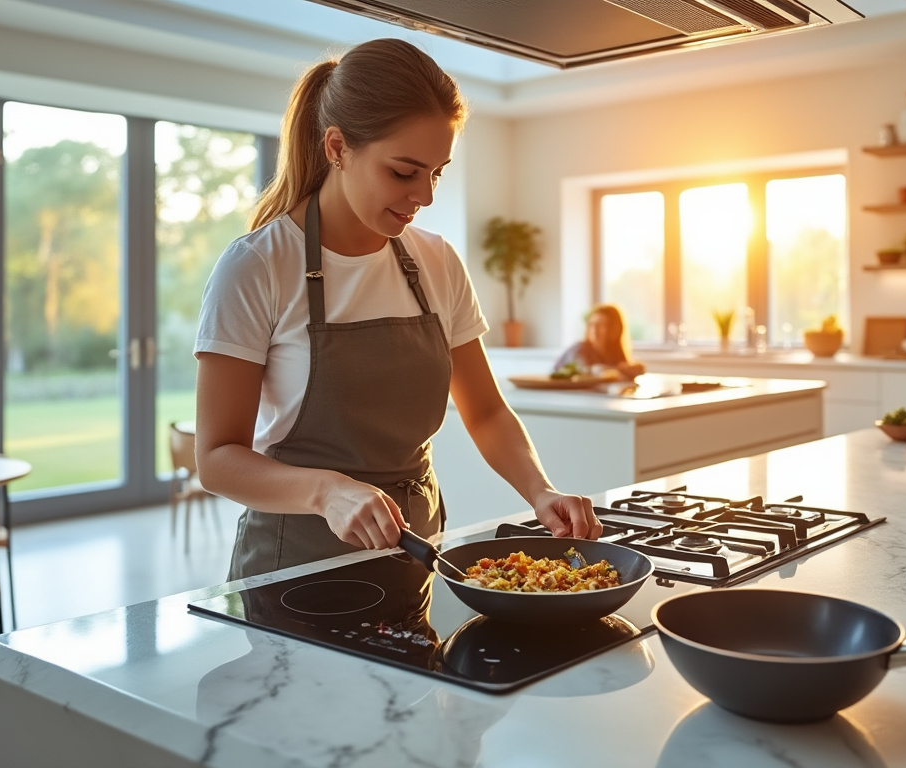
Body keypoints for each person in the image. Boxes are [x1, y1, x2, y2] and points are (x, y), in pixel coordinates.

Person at [193, 39, 602, 581]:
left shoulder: (436, 261)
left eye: (437, 172)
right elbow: (217, 458)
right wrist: (326, 490)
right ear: (337, 148)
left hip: (416, 556)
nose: (426, 195)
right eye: (404, 172)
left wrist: (539, 488)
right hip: (294, 568)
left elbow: (485, 411)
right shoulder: (258, 266)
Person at [554, 304, 646, 380]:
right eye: (592, 324)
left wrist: (633, 368)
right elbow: (589, 372)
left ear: (615, 329)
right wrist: (622, 369)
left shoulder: (614, 354)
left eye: (601, 325)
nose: (594, 329)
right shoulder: (579, 350)